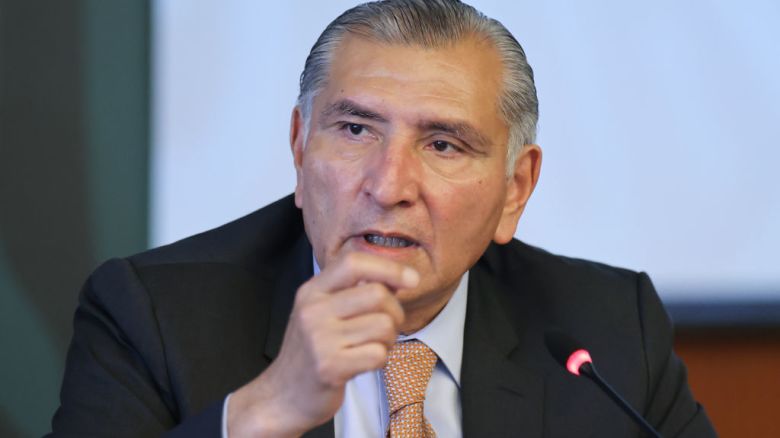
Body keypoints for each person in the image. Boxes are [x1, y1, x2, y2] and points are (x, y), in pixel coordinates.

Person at [50, 1, 716, 437]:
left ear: (516, 189)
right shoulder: (151, 316)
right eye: (355, 129)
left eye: (444, 144)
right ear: (299, 148)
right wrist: (265, 410)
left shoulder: (607, 331)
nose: (389, 184)